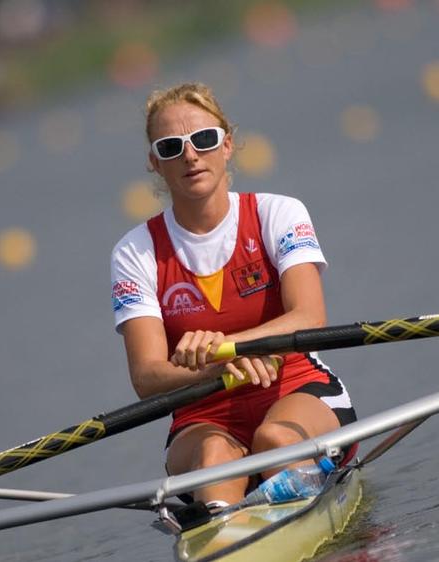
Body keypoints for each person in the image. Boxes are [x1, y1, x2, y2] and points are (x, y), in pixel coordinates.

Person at [110, 82, 357, 508]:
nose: (190, 155)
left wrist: (228, 348)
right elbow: (147, 377)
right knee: (213, 458)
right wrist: (214, 370)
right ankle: (228, 528)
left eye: (203, 140)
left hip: (295, 388)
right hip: (200, 412)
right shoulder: (135, 251)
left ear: (227, 146)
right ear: (155, 163)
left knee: (274, 438)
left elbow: (310, 317)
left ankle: (273, 495)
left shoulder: (277, 213)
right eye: (171, 147)